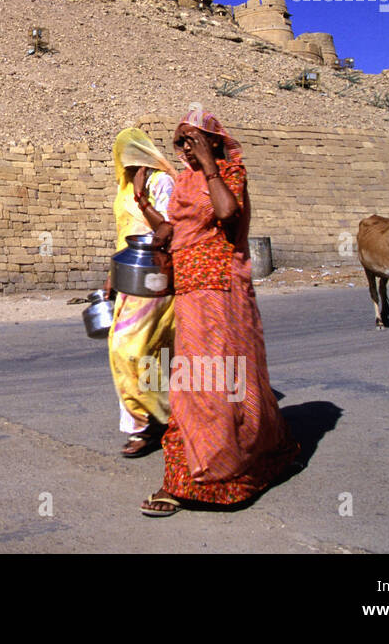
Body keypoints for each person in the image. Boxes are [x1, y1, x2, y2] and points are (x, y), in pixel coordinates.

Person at [138, 108, 299, 515]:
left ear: (213, 141)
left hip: (222, 291)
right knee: (193, 383)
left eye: (193, 140)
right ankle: (191, 471)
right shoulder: (185, 182)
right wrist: (145, 206)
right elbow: (172, 230)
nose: (186, 149)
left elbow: (228, 212)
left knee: (219, 381)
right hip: (189, 289)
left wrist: (212, 165)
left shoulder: (230, 173)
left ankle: (219, 470)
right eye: (182, 142)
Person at [102, 128, 176, 457]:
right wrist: (111, 275)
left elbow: (169, 230)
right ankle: (150, 420)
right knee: (144, 352)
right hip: (129, 276)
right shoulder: (123, 189)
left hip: (156, 277)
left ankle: (143, 424)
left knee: (127, 348)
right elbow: (125, 234)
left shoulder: (161, 183)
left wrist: (142, 196)